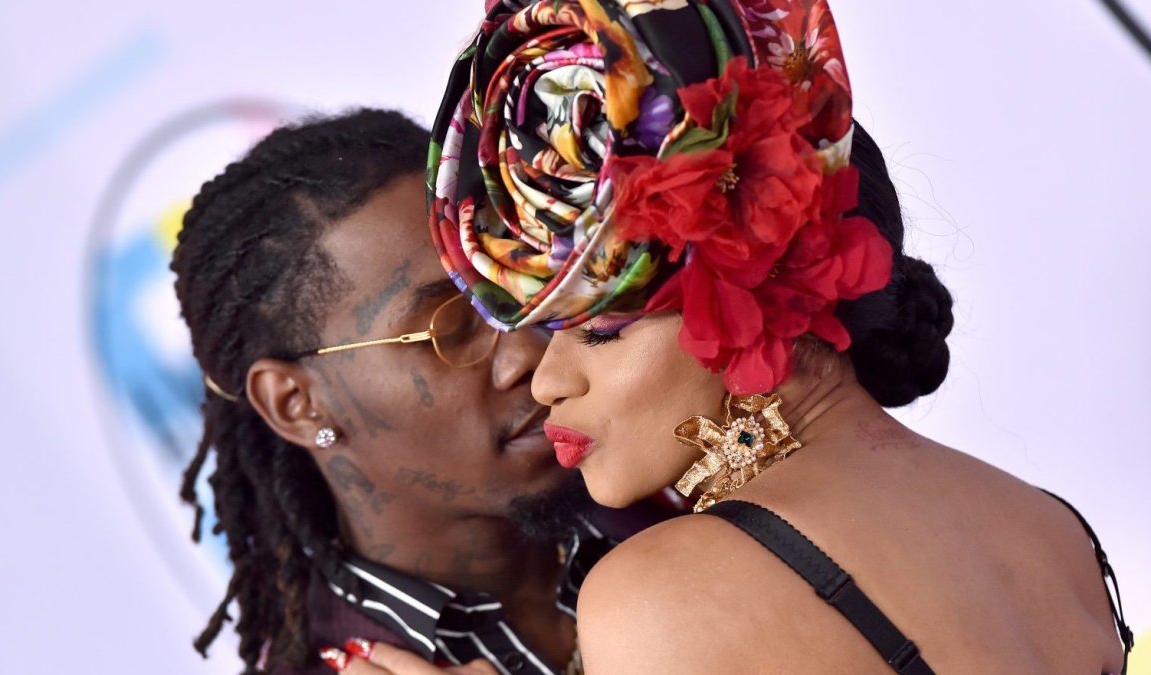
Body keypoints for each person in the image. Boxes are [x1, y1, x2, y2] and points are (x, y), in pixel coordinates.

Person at [337, 1, 1135, 673]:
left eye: (603, 331)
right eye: (550, 333)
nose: (547, 381)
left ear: (762, 285)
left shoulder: (661, 592)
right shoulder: (1050, 527)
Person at [172, 108, 645, 675]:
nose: (530, 352)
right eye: (448, 330)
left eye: (519, 281)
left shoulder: (673, 470)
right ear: (297, 405)